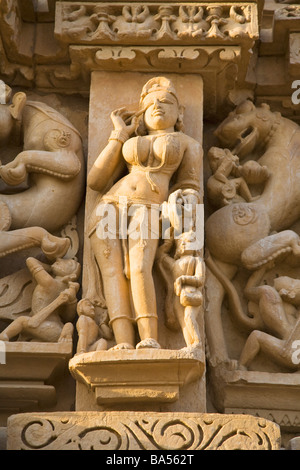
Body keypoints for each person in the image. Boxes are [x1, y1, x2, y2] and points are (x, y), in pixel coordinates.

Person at [87, 77, 202, 350]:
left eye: (166, 102)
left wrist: (180, 208)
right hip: (109, 206)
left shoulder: (186, 143)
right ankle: (123, 342)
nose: (157, 106)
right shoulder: (131, 138)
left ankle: (150, 337)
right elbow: (95, 180)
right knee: (112, 272)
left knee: (138, 267)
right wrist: (119, 134)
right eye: (149, 103)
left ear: (179, 112)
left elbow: (191, 188)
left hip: (149, 208)